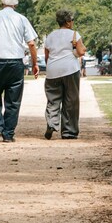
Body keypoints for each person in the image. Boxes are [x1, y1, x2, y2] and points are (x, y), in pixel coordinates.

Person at [0, 0, 39, 143]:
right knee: (13, 101)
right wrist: (35, 63)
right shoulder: (22, 19)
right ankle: (8, 134)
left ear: (2, 3)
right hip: (15, 63)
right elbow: (31, 43)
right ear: (15, 4)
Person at [42, 9, 86, 140]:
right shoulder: (74, 35)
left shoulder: (50, 36)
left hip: (52, 71)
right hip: (70, 70)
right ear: (67, 22)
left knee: (53, 99)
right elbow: (81, 51)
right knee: (71, 101)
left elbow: (46, 56)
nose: (72, 23)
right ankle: (69, 132)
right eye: (72, 20)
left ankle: (51, 123)